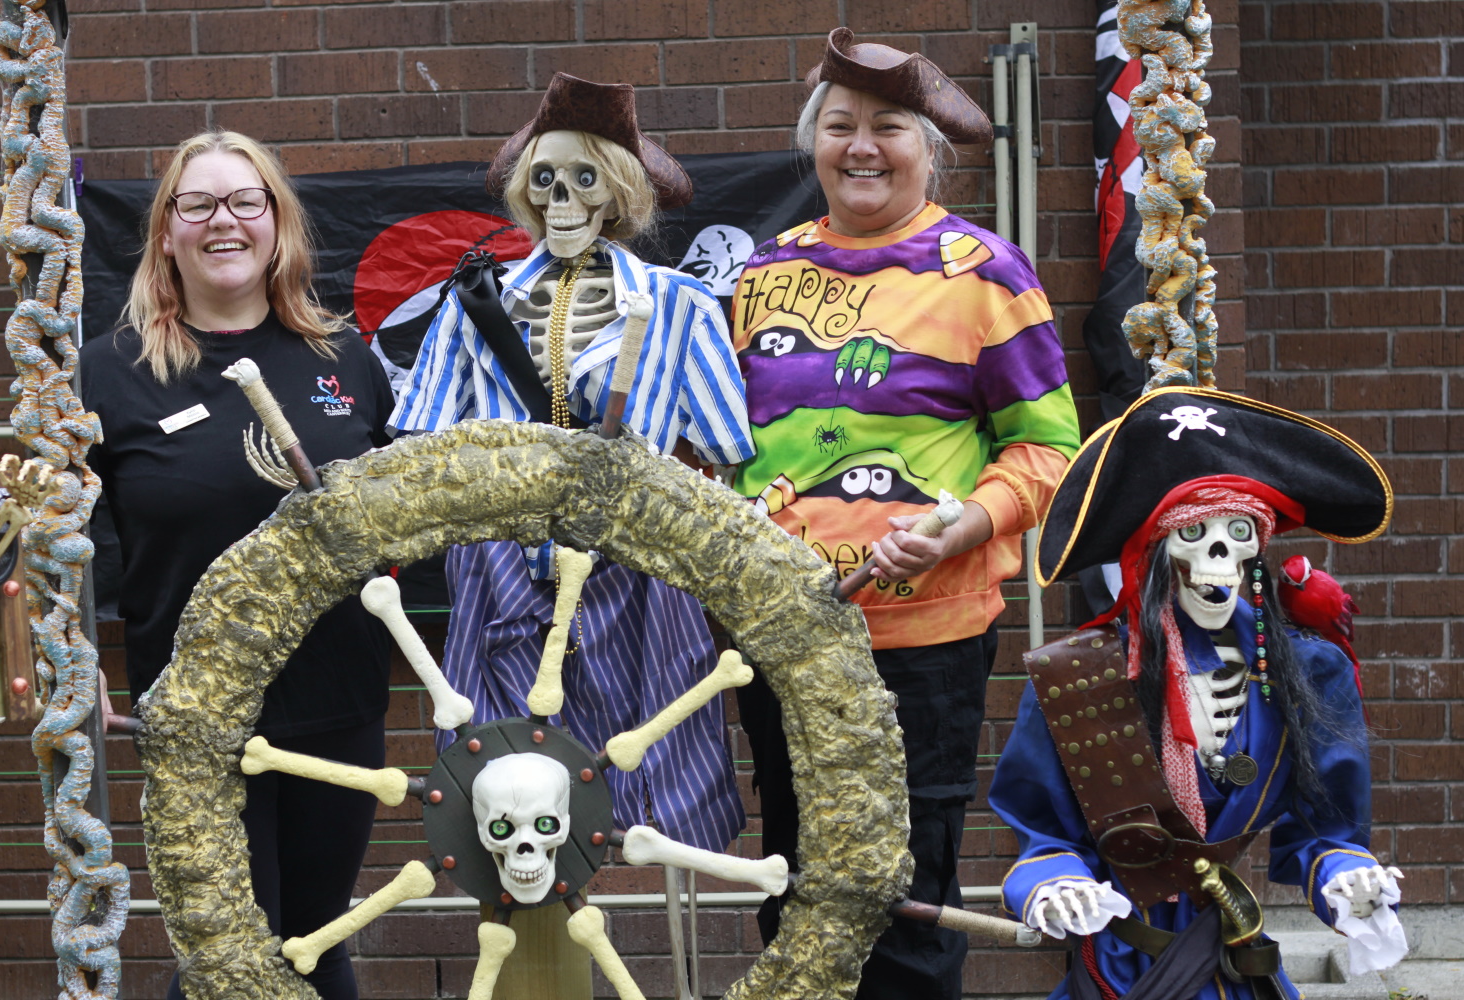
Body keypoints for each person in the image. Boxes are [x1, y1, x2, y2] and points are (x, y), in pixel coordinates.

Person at [729, 28, 1082, 1000]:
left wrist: (965, 524)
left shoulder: (986, 274)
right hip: (787, 632)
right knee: (798, 885)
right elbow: (722, 447)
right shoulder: (759, 278)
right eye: (840, 125)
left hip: (922, 641)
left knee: (904, 896)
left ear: (930, 145)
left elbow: (1049, 450)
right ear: (813, 143)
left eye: (887, 125)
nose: (861, 146)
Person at [389, 74, 755, 855]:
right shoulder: (471, 302)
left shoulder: (681, 304)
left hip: (636, 572)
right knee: (506, 785)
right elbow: (420, 445)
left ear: (618, 190)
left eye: (582, 178)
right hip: (500, 573)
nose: (561, 197)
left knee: (652, 781)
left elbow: (728, 452)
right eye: (544, 178)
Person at [81, 130, 393, 1000]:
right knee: (227, 956)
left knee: (316, 939)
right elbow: (50, 537)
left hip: (337, 704)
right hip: (198, 716)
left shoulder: (346, 361)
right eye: (199, 204)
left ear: (278, 225)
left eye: (246, 202)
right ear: (166, 233)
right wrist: (70, 661)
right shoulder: (109, 374)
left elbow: (400, 518)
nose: (225, 221)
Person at [991, 388, 1406, 1000]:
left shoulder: (1309, 671)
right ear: (1154, 554)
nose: (1219, 553)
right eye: (1193, 531)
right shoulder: (1082, 675)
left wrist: (1349, 876)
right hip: (1121, 964)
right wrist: (1054, 884)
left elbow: (1328, 830)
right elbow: (1044, 832)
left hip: (1233, 962)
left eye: (1237, 532)